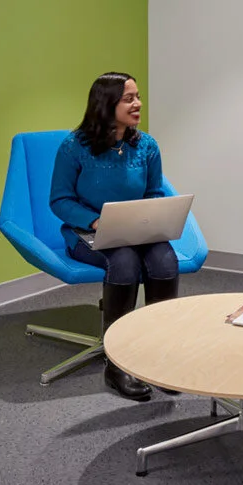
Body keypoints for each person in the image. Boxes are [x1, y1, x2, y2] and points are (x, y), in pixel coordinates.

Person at [50, 72, 180, 401]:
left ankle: (158, 355)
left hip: (137, 229)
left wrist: (149, 218)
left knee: (165, 260)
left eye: (138, 97)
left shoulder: (147, 146)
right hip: (87, 232)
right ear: (106, 104)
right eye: (128, 99)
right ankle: (117, 363)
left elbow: (154, 192)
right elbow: (60, 200)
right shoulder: (73, 147)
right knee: (123, 262)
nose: (138, 104)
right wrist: (95, 221)